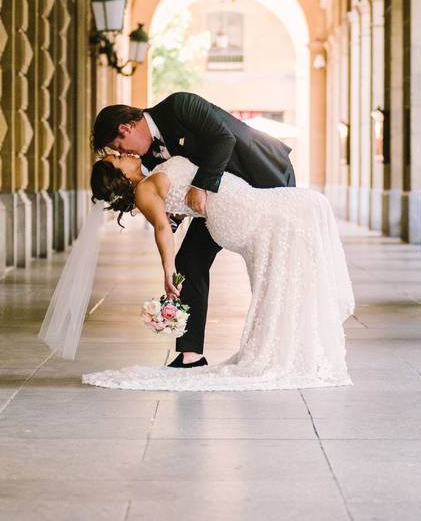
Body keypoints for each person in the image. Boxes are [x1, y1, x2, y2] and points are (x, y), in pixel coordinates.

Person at [81, 152, 354, 391]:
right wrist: (168, 271)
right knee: (311, 204)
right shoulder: (144, 190)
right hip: (238, 211)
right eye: (117, 159)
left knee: (307, 215)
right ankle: (291, 350)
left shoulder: (152, 176)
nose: (122, 154)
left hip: (237, 205)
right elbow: (163, 228)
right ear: (121, 176)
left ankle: (296, 348)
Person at [90, 92, 296, 368]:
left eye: (120, 145)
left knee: (273, 265)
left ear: (126, 128)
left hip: (263, 175)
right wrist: (170, 220)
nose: (124, 153)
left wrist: (200, 187)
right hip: (217, 203)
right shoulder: (146, 158)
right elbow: (169, 199)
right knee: (189, 262)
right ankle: (191, 354)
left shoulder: (179, 106)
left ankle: (284, 343)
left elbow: (224, 139)